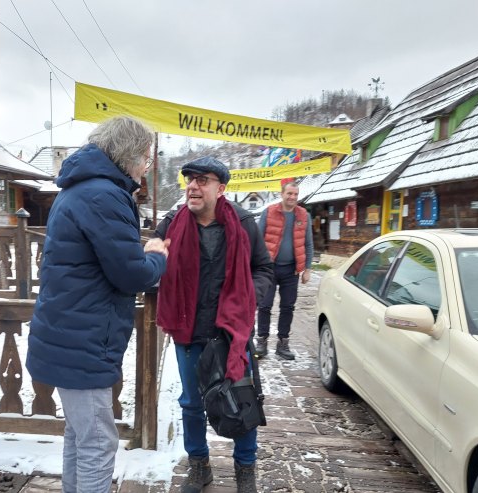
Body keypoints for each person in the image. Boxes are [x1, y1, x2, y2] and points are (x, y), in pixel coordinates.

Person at [26, 116, 170, 493]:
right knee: (98, 443)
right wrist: (156, 255)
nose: (145, 168)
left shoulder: (79, 188)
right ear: (129, 156)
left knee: (80, 436)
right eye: (146, 159)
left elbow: (100, 256)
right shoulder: (104, 195)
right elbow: (131, 274)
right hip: (83, 341)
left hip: (66, 334)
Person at [155, 156, 273, 493]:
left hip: (230, 332)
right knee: (192, 403)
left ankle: (245, 471)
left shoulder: (243, 222)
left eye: (202, 180)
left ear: (220, 188)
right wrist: (150, 252)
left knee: (242, 398)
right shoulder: (171, 223)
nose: (192, 186)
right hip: (188, 331)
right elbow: (151, 256)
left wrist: (246, 298)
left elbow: (263, 269)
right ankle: (199, 467)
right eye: (189, 180)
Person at [255, 180, 313, 360]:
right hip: (269, 268)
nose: (293, 197)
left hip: (291, 270)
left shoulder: (304, 215)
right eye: (289, 194)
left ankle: (283, 343)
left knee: (288, 306)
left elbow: (308, 243)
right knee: (265, 305)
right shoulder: (269, 212)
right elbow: (257, 239)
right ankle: (262, 341)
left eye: (295, 194)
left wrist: (307, 268)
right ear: (282, 194)